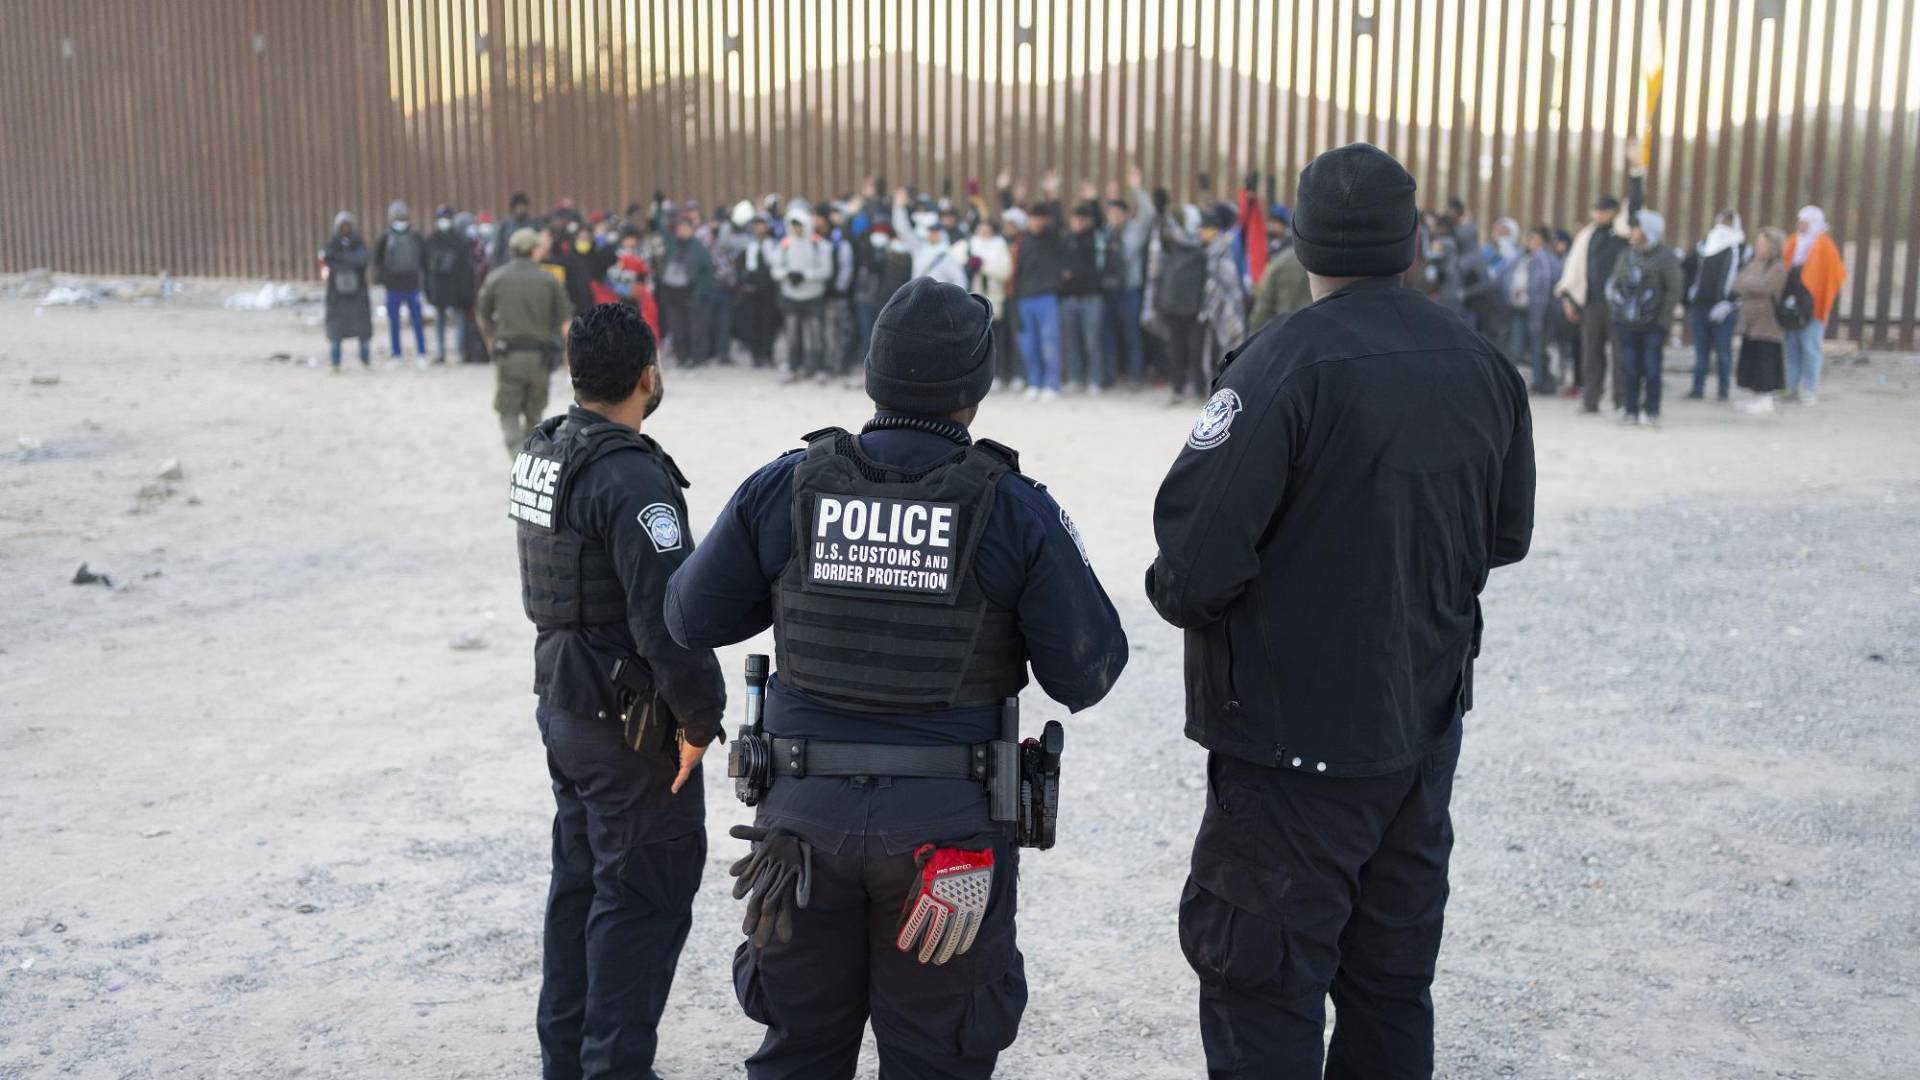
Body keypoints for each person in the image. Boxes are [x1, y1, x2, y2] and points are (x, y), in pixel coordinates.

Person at [662, 278, 1129, 1079]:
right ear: (975, 390)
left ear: (872, 371)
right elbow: (1088, 672)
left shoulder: (790, 483)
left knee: (799, 1052)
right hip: (946, 840)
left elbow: (689, 618)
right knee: (939, 1058)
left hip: (800, 829)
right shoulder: (1013, 505)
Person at [1145, 142, 1534, 1080]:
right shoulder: (1484, 367)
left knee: (1265, 990)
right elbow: (1505, 537)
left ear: (1301, 240)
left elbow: (1189, 572)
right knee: (1390, 988)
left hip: (1291, 750)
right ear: (1413, 243)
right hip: (1419, 731)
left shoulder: (1278, 368)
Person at [510, 302, 725, 1080]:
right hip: (626, 723)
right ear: (647, 376)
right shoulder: (633, 477)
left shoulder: (545, 449)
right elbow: (671, 618)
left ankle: (566, 1061)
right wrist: (702, 718)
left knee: (582, 888)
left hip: (564, 703)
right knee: (641, 898)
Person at [1556, 152, 1645, 414]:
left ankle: (1621, 401)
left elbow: (1637, 204)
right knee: (1590, 354)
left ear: (1614, 212)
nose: (1597, 214)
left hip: (1618, 304)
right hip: (1592, 303)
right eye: (1595, 210)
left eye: (1602, 210)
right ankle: (1590, 400)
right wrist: (1570, 299)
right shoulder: (1588, 235)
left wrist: (1636, 171)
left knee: (1620, 356)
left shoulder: (1622, 232)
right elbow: (1575, 270)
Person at [477, 228, 574, 454]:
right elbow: (565, 323)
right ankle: (530, 455)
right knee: (535, 412)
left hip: (508, 355)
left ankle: (515, 452)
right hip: (540, 357)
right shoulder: (549, 279)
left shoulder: (497, 278)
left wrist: (490, 341)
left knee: (508, 410)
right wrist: (569, 358)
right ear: (535, 251)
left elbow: (482, 316)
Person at [1605, 207, 1684, 427]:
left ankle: (1651, 411)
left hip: (1653, 325)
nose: (1633, 231)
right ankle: (1630, 410)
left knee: (1651, 368)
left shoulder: (1665, 257)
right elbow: (1615, 283)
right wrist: (1617, 309)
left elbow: (1674, 290)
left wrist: (1662, 321)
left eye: (1637, 227)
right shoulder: (1627, 255)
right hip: (1626, 323)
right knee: (1629, 368)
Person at [1781, 205, 1847, 406]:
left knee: (1810, 348)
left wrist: (1817, 299)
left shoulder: (1825, 246)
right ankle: (1790, 387)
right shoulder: (1793, 242)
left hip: (1814, 308)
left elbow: (1835, 276)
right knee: (1791, 348)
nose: (1800, 225)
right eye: (1799, 220)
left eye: (1805, 221)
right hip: (1792, 305)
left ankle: (1809, 389)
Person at [1683, 211, 1749, 401]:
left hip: (1725, 310)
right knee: (1701, 351)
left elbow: (1742, 279)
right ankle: (1697, 388)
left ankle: (1723, 390)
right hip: (1700, 307)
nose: (1721, 226)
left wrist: (1731, 303)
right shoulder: (1705, 245)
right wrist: (1690, 296)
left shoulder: (1741, 249)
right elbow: (1690, 269)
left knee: (1723, 351)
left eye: (1726, 223)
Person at [1150, 200, 1210, 405]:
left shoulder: (1203, 248)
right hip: (1174, 308)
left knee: (1196, 351)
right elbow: (1159, 231)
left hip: (1195, 308)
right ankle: (1178, 389)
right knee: (1176, 350)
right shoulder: (1170, 244)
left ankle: (1199, 389)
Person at [1100, 170, 1153, 387]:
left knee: (1132, 335)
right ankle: (1111, 374)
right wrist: (1109, 196)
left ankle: (1135, 375)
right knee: (1109, 336)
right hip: (1109, 291)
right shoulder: (1106, 233)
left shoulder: (1134, 232)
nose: (1112, 217)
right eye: (1109, 214)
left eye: (1116, 214)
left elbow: (1148, 214)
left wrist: (1136, 189)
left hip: (1130, 291)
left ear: (1125, 214)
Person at [1011, 201, 1067, 400]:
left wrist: (1053, 198)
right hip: (1025, 299)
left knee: (1049, 343)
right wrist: (1015, 299)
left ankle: (1051, 384)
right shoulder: (1023, 242)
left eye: (1038, 218)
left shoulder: (1051, 239)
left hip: (1046, 297)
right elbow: (1018, 273)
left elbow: (1059, 224)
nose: (1034, 222)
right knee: (1029, 343)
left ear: (1045, 220)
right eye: (1031, 218)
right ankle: (1034, 382)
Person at [1500, 226, 1565, 394]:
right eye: (1530, 239)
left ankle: (1540, 382)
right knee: (1515, 347)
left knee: (1538, 349)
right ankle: (1511, 381)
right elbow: (1506, 274)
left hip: (1539, 311)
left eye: (1536, 240)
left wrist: (1527, 290)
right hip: (1518, 308)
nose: (1532, 243)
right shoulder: (1519, 257)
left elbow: (1547, 285)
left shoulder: (1546, 260)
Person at [1732, 227, 1790, 414]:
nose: (1758, 247)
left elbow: (1765, 287)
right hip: (1750, 322)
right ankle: (1755, 395)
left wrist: (1749, 285)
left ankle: (1766, 398)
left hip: (1768, 323)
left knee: (1766, 360)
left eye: (1763, 244)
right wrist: (1750, 285)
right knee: (1751, 359)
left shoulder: (1778, 267)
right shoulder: (1754, 264)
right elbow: (1738, 283)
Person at [1059, 201, 1108, 393]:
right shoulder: (1066, 240)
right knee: (1071, 342)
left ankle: (1095, 379)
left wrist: (1094, 200)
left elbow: (1102, 224)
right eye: (1076, 218)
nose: (1079, 222)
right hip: (1069, 298)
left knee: (1092, 341)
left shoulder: (1096, 238)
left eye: (1083, 219)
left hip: (1092, 297)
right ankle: (1074, 378)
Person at [656, 215, 717, 366]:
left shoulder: (699, 248)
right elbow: (660, 229)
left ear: (692, 230)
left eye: (685, 228)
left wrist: (699, 293)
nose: (682, 231)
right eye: (680, 228)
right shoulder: (672, 246)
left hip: (694, 295)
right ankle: (681, 357)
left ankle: (696, 358)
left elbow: (706, 271)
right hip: (673, 295)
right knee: (677, 328)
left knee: (696, 329)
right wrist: (659, 209)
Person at [1197, 202, 1248, 386]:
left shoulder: (1222, 248)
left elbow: (1230, 282)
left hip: (1226, 308)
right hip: (1216, 310)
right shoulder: (1214, 248)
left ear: (1214, 230)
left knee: (1227, 350)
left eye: (1204, 228)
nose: (1200, 232)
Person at [372, 200, 429, 362]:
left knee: (415, 322)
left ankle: (416, 353)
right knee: (397, 322)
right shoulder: (387, 237)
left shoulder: (413, 236)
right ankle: (404, 353)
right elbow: (377, 260)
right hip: (397, 286)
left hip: (408, 285)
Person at [320, 211, 374, 373]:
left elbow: (363, 259)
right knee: (336, 332)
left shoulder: (358, 242)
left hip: (358, 295)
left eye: (347, 225)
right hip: (337, 297)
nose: (344, 228)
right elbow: (328, 260)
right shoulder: (332, 244)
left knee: (363, 332)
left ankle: (365, 360)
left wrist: (343, 259)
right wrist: (348, 260)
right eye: (341, 226)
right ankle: (335, 363)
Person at [426, 205, 478, 365]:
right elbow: (426, 265)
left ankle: (460, 351)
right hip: (439, 286)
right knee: (440, 319)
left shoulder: (459, 240)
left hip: (455, 286)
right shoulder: (432, 239)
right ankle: (441, 352)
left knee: (459, 318)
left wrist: (465, 288)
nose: (444, 222)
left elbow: (465, 267)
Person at [1248, 232, 1312, 333]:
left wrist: (1252, 339)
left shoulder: (1278, 263)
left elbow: (1263, 308)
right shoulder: (1317, 260)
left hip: (1285, 329)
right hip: (1315, 327)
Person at [493, 191, 539, 268]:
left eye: (523, 206)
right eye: (518, 206)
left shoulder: (533, 224)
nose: (521, 209)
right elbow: (498, 249)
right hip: (508, 265)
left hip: (530, 265)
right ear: (513, 208)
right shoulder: (506, 225)